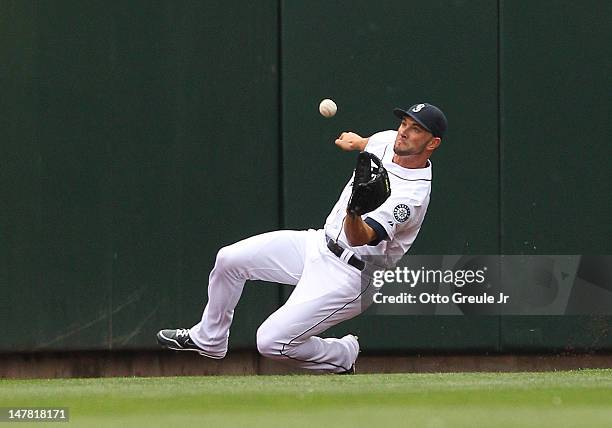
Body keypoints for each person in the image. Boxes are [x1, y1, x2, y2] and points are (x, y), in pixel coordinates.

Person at [156, 103, 448, 373]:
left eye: (416, 129)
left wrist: (355, 210)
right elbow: (369, 142)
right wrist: (355, 141)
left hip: (351, 276)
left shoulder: (410, 198)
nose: (404, 132)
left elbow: (359, 237)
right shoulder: (390, 140)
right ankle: (210, 338)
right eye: (405, 123)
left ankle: (341, 355)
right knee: (229, 260)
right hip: (318, 244)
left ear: (432, 143)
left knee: (270, 342)